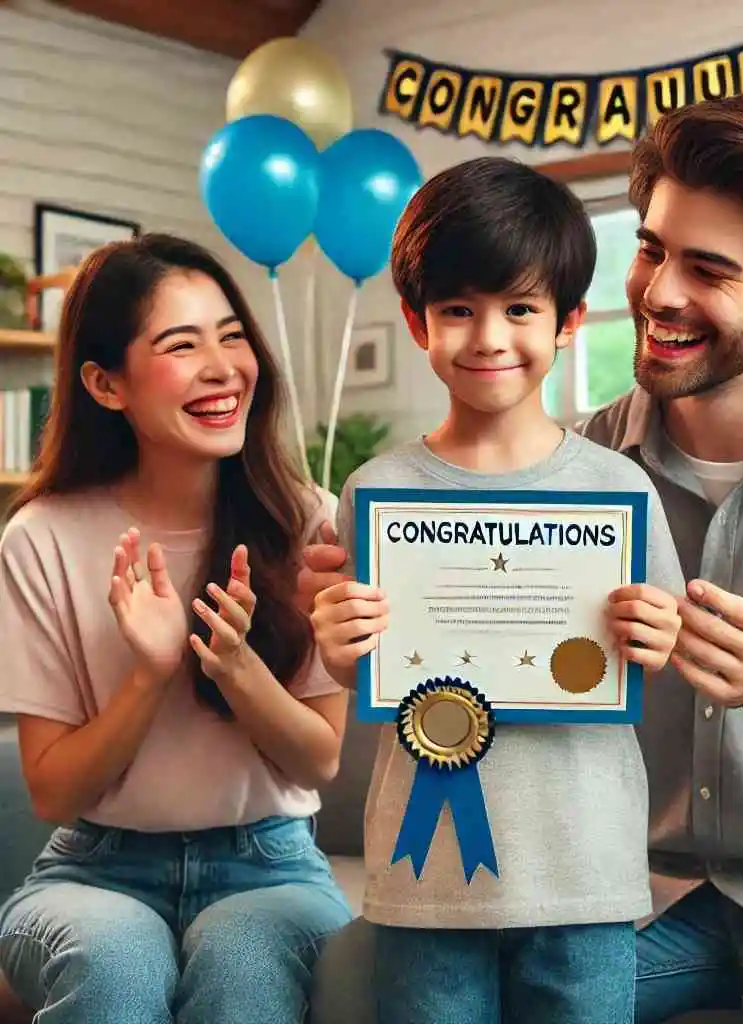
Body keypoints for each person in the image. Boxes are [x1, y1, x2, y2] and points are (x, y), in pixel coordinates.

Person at [310, 156, 686, 1024]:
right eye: (458, 311)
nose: (488, 338)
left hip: (583, 877)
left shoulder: (618, 492)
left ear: (568, 323)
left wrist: (655, 640)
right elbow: (346, 665)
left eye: (520, 308)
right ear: (417, 322)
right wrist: (338, 644)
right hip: (424, 881)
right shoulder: (373, 492)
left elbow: (654, 662)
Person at [0, 234, 353, 1023]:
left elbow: (320, 758)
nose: (224, 366)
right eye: (181, 344)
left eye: (232, 335)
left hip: (272, 867)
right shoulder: (42, 537)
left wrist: (236, 668)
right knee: (115, 966)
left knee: (245, 971)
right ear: (104, 383)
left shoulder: (311, 519)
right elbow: (55, 789)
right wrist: (149, 674)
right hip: (96, 871)